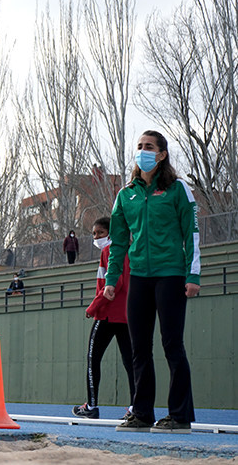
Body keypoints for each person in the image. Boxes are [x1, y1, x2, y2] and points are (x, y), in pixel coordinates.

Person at [110, 130, 200, 434]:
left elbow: (192, 235)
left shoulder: (177, 190)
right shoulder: (126, 194)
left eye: (149, 147)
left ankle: (180, 416)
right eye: (139, 147)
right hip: (139, 278)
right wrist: (112, 280)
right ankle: (143, 413)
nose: (142, 151)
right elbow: (118, 242)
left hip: (171, 275)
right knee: (139, 348)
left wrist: (193, 275)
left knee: (172, 345)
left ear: (161, 154)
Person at [72, 217, 134, 420]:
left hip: (107, 314)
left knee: (93, 359)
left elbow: (114, 285)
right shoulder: (128, 250)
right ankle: (135, 407)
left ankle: (91, 405)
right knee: (130, 362)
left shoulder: (110, 252)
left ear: (111, 232)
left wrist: (93, 307)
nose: (97, 237)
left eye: (100, 232)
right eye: (94, 234)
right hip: (126, 315)